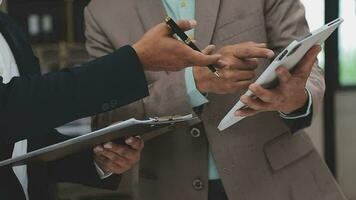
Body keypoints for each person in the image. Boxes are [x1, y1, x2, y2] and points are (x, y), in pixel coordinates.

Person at [86, 0, 346, 200]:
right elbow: (107, 119)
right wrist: (192, 83)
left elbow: (306, 67)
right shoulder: (101, 12)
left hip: (281, 184)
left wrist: (296, 97)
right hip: (168, 188)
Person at [0, 2, 222, 200]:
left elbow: (26, 137)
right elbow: (9, 107)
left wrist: (97, 160)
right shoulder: (101, 12)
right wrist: (134, 60)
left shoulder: (9, 29)